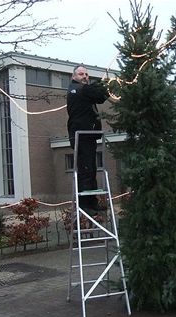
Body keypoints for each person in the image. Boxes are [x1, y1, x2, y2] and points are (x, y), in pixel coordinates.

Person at [67, 65, 110, 214]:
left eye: (86, 74)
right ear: (74, 77)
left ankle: (92, 202)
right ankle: (84, 205)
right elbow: (101, 96)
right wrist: (105, 84)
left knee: (91, 169)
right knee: (85, 169)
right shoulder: (78, 89)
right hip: (82, 135)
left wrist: (102, 86)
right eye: (81, 74)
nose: (85, 76)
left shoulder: (84, 91)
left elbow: (100, 96)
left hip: (87, 135)